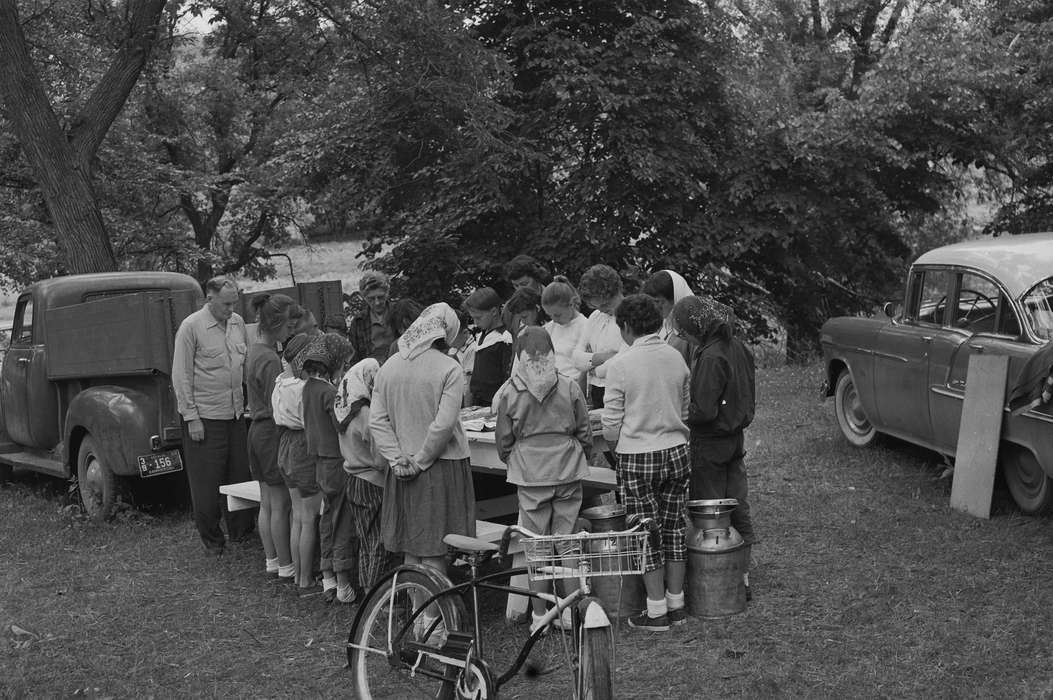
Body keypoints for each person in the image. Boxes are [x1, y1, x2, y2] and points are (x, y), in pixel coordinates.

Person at [370, 303, 475, 638]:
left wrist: (397, 458)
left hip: (402, 468)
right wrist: (421, 459)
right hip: (438, 467)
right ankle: (433, 626)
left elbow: (378, 420)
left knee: (413, 549)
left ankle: (419, 621)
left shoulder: (390, 366)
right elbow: (443, 424)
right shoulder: (449, 367)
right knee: (434, 550)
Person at [601, 294, 691, 631]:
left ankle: (656, 612)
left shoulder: (621, 365)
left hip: (638, 454)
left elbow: (610, 425)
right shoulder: (675, 357)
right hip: (677, 449)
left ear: (625, 327)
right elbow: (684, 409)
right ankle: (677, 604)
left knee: (644, 531)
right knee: (673, 527)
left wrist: (615, 446)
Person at [494, 327, 592, 632]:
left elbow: (503, 440)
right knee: (567, 545)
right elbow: (584, 432)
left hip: (530, 472)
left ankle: (539, 616)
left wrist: (514, 458)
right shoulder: (569, 385)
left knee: (535, 547)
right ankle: (570, 612)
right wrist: (576, 455)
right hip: (567, 467)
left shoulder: (510, 392)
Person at [672, 295, 757, 598]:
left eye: (683, 332)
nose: (682, 338)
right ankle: (742, 575)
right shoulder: (738, 348)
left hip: (710, 442)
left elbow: (704, 411)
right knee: (738, 505)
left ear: (697, 328)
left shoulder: (710, 356)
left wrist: (677, 410)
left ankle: (718, 579)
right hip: (735, 439)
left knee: (711, 513)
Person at [172, 276, 253, 555]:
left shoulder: (237, 323)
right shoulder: (191, 327)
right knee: (206, 484)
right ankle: (213, 540)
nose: (231, 309)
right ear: (210, 299)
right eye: (226, 303)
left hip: (235, 414)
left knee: (239, 476)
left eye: (234, 303)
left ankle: (241, 533)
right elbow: (180, 376)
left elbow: (245, 365)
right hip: (205, 417)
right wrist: (191, 417)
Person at [245, 293, 298, 579]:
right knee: (281, 503)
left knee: (266, 501)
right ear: (276, 323)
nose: (291, 332)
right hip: (269, 432)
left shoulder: (253, 350)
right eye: (289, 326)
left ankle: (272, 560)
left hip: (255, 431)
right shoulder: (269, 359)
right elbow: (278, 404)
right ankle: (288, 566)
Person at [301, 332, 356, 602]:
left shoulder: (308, 387)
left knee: (327, 517)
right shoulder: (328, 392)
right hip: (336, 461)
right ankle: (343, 578)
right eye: (344, 364)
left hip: (319, 461)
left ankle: (328, 576)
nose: (344, 370)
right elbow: (340, 425)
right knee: (341, 518)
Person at [334, 357, 392, 601]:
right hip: (372, 481)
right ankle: (374, 594)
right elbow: (380, 460)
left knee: (365, 540)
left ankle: (366, 588)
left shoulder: (344, 408)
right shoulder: (366, 414)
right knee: (377, 542)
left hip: (353, 478)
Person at [272, 333, 322, 595]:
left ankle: (298, 575)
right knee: (309, 517)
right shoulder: (304, 388)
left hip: (286, 444)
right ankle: (306, 580)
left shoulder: (280, 382)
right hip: (303, 444)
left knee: (297, 516)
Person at [573, 264, 629, 410]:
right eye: (597, 307)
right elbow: (577, 359)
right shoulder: (595, 317)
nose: (602, 310)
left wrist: (593, 365)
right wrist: (604, 357)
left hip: (623, 389)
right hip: (596, 389)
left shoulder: (632, 315)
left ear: (617, 291)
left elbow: (626, 360)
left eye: (605, 304)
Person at [462, 287, 513, 407]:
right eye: (473, 318)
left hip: (495, 402)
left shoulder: (505, 338)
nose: (475, 322)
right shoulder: (481, 335)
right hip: (477, 401)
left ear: (494, 312)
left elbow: (507, 376)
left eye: (478, 317)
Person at [541, 275, 589, 385]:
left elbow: (586, 366)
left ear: (571, 304)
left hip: (573, 386)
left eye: (557, 315)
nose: (554, 320)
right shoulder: (549, 327)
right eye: (550, 315)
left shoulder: (585, 326)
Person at [642, 270, 694, 363]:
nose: (655, 307)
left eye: (659, 302)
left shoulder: (692, 329)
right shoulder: (661, 323)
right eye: (652, 302)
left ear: (676, 297)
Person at [347, 271, 395, 364]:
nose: (377, 302)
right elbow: (354, 357)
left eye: (380, 297)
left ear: (387, 293)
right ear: (364, 297)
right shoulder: (358, 322)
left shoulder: (398, 312)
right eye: (371, 299)